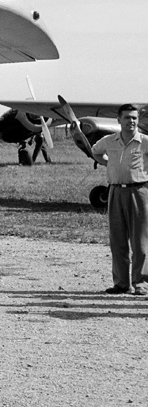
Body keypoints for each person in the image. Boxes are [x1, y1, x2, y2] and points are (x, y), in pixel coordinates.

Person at [76, 103, 147, 295]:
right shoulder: (109, 141)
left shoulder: (146, 142)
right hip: (115, 191)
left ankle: (141, 283)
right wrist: (108, 164)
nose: (131, 121)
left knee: (140, 241)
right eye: (127, 117)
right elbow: (95, 151)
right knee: (117, 240)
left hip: (139, 191)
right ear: (118, 120)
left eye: (134, 118)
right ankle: (122, 283)